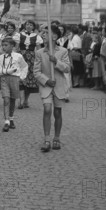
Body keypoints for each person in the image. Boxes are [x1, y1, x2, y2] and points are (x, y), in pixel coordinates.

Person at [33, 24, 71, 152]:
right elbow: (36, 72)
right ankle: (47, 139)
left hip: (59, 85)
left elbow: (67, 68)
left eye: (46, 33)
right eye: (42, 33)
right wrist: (46, 80)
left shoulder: (63, 51)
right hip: (46, 85)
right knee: (47, 109)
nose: (43, 35)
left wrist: (56, 62)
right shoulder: (39, 52)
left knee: (57, 112)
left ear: (54, 36)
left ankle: (57, 137)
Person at [0, 36, 28, 132]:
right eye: (2, 45)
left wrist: (22, 77)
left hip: (15, 79)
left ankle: (11, 118)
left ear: (12, 46)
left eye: (6, 45)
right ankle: (6, 122)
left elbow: (25, 66)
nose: (3, 47)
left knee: (12, 99)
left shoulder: (18, 56)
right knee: (6, 99)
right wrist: (8, 71)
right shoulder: (1, 58)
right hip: (4, 79)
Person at [18, 20, 43, 109]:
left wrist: (39, 60)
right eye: (27, 24)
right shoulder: (19, 35)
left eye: (31, 25)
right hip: (21, 57)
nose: (28, 26)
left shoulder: (37, 37)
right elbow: (16, 47)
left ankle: (25, 100)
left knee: (29, 79)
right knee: (21, 78)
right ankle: (21, 100)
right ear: (25, 26)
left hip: (31, 59)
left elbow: (39, 50)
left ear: (33, 27)